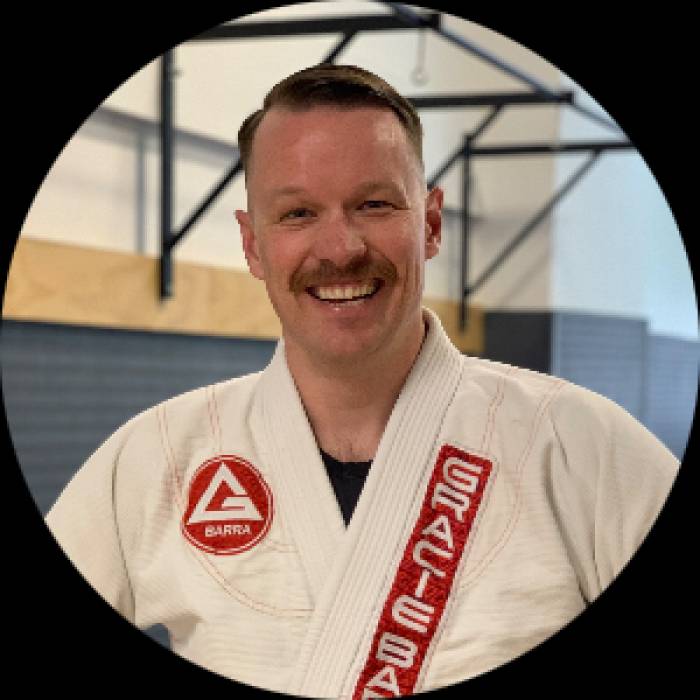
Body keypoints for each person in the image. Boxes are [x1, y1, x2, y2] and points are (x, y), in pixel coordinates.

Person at [45, 64, 679, 697]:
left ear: (430, 224)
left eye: (374, 205)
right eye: (297, 213)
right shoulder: (155, 456)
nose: (341, 248)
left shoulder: (579, 446)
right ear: (253, 245)